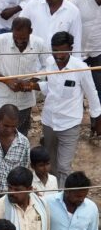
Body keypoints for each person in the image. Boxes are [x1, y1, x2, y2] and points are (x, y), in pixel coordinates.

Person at [40, 30, 101, 182]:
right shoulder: (49, 63)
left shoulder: (81, 68)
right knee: (50, 164)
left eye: (62, 51)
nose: (58, 55)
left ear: (71, 49)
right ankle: (53, 191)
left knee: (64, 167)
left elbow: (92, 93)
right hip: (49, 121)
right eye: (55, 51)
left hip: (69, 124)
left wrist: (97, 118)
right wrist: (34, 86)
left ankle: (63, 194)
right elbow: (50, 88)